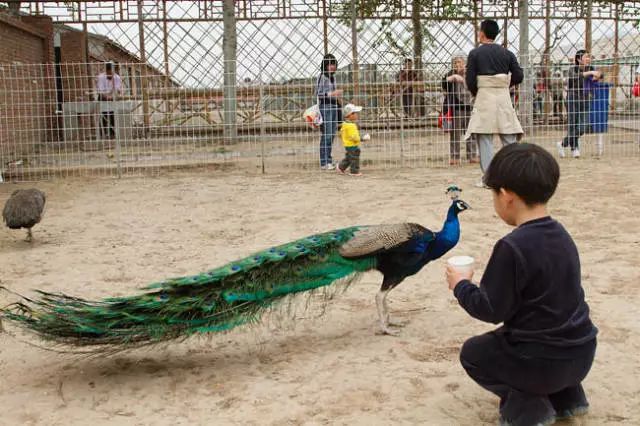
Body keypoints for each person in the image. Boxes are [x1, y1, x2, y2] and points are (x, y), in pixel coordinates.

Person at [445, 143, 598, 426]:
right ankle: (569, 400)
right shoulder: (562, 235)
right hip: (582, 353)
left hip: (543, 363)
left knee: (474, 353)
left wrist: (461, 285)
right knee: (541, 325)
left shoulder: (512, 247)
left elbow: (491, 310)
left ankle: (530, 411)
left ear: (506, 196)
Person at [464, 20, 523, 186]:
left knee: (485, 137)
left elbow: (470, 80)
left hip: (484, 97)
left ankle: (489, 179)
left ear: (482, 33)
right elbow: (518, 76)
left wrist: (479, 92)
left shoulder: (475, 54)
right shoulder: (508, 53)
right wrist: (504, 85)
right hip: (503, 97)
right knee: (509, 135)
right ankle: (513, 176)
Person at [557, 50, 603, 159]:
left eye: (589, 57)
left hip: (586, 99)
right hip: (573, 98)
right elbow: (574, 77)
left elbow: (599, 75)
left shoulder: (591, 68)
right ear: (579, 59)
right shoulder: (572, 69)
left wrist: (598, 75)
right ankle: (575, 148)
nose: (588, 59)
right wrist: (590, 73)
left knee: (583, 126)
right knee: (572, 124)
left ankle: (562, 143)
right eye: (586, 57)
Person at [441, 55, 478, 165]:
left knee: (471, 132)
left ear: (465, 63)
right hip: (456, 107)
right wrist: (450, 79)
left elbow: (474, 87)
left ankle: (472, 155)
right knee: (455, 133)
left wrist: (463, 80)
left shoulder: (471, 73)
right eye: (456, 62)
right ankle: (454, 157)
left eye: (460, 62)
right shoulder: (450, 74)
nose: (458, 64)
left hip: (470, 106)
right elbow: (444, 85)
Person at [316, 54, 342, 170]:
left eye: (334, 64)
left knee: (331, 135)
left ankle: (328, 160)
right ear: (325, 65)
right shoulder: (322, 77)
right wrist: (332, 94)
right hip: (325, 107)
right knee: (326, 135)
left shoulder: (332, 77)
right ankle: (324, 162)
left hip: (333, 106)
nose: (332, 67)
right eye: (330, 64)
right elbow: (318, 94)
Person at [336, 103, 368, 176]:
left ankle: (341, 167)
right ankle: (354, 171)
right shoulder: (351, 126)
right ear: (350, 115)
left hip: (348, 144)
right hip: (352, 144)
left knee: (349, 157)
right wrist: (362, 138)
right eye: (355, 113)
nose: (357, 115)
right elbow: (354, 137)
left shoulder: (345, 124)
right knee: (354, 158)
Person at [96, 62, 123, 139]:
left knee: (112, 115)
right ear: (106, 71)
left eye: (112, 72)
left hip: (112, 97)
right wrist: (107, 97)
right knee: (103, 116)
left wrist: (112, 96)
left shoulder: (117, 77)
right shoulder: (101, 77)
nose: (111, 75)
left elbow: (117, 90)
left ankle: (112, 134)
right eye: (109, 73)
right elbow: (100, 91)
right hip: (103, 97)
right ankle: (102, 135)